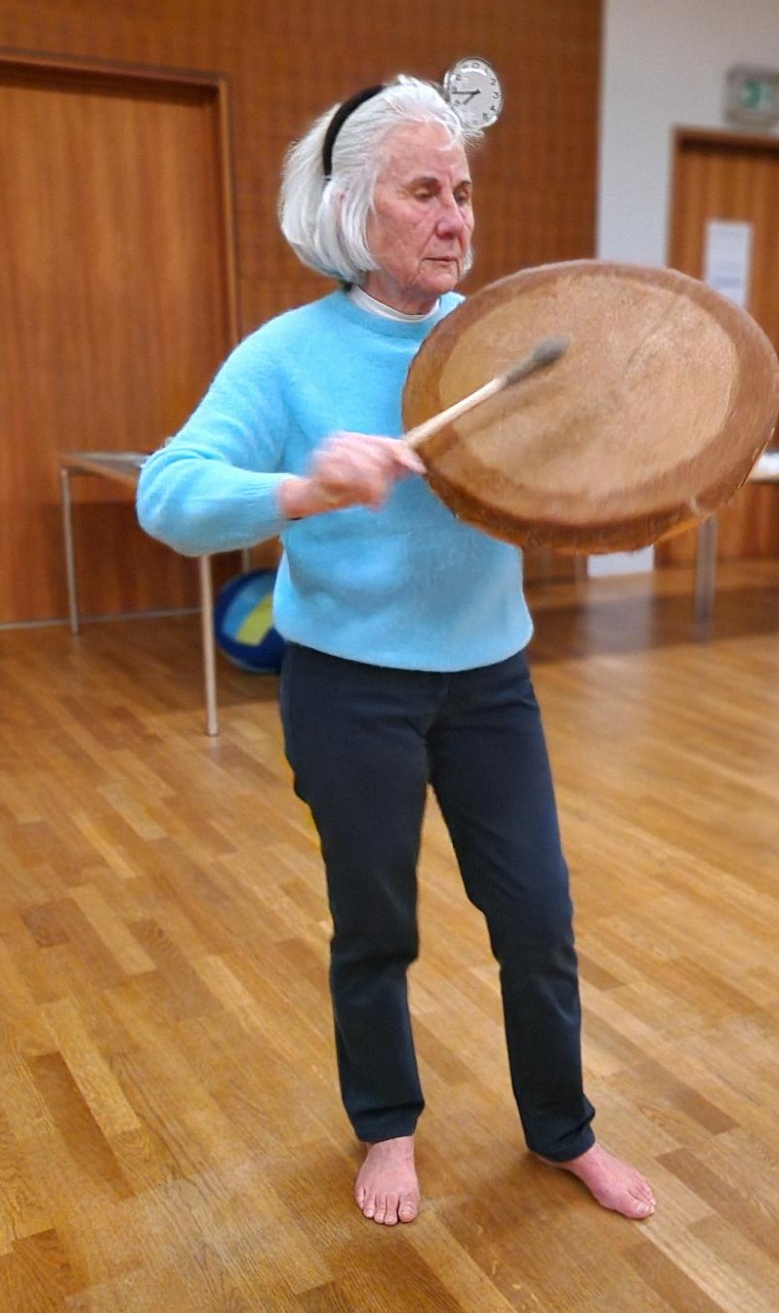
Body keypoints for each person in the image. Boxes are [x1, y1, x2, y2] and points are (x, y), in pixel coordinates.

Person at [137, 75, 655, 1226]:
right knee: (375, 926)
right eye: (425, 191)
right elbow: (168, 495)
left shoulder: (501, 342)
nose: (454, 217)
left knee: (538, 916)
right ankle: (387, 1124)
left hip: (491, 681)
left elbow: (580, 463)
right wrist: (304, 486)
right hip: (348, 687)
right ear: (349, 207)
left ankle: (564, 1128)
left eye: (462, 192)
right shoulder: (285, 356)